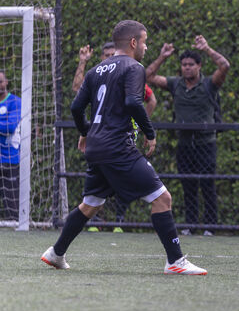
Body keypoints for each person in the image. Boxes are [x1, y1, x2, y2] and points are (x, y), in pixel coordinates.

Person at [41, 20, 206, 275]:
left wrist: (86, 132)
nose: (146, 46)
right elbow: (132, 102)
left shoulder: (95, 70)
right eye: (144, 41)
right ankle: (175, 261)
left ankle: (56, 253)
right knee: (162, 198)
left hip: (97, 147)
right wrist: (150, 133)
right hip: (117, 147)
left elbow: (76, 108)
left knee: (91, 204)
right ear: (133, 43)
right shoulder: (134, 67)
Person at [145, 36, 230, 236]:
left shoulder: (210, 84)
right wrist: (162, 56)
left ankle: (211, 227)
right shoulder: (176, 84)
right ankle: (190, 226)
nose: (187, 68)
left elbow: (225, 65)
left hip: (206, 143)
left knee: (207, 185)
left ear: (199, 66)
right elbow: (148, 76)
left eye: (191, 64)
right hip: (184, 144)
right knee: (187, 185)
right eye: (184, 65)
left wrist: (207, 48)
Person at [73, 41, 157, 232]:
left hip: (110, 136)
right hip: (103, 135)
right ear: (102, 57)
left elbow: (147, 99)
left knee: (101, 189)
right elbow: (76, 91)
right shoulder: (99, 73)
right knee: (159, 196)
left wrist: (140, 124)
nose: (111, 58)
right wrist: (82, 62)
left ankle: (118, 219)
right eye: (107, 55)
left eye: (113, 54)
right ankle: (96, 222)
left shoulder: (126, 75)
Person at [0, 72, 21, 221]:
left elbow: (11, 127)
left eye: (0, 81)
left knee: (12, 206)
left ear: (6, 82)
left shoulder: (15, 102)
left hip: (9, 159)